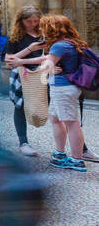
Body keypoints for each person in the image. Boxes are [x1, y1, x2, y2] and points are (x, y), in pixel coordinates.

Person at [37, 14, 90, 172]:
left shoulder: (58, 46)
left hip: (63, 88)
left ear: (51, 29)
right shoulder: (70, 43)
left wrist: (45, 68)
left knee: (71, 123)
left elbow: (46, 67)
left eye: (43, 26)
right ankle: (60, 153)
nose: (41, 30)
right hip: (63, 87)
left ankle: (77, 160)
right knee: (56, 119)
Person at [4, 5, 45, 157]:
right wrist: (30, 49)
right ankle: (23, 142)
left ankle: (78, 146)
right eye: (29, 21)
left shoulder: (44, 34)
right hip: (23, 74)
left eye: (36, 21)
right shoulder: (16, 37)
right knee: (20, 106)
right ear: (21, 21)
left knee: (54, 107)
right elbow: (9, 60)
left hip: (43, 73)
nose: (33, 24)